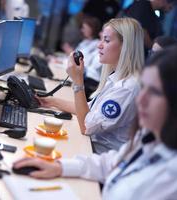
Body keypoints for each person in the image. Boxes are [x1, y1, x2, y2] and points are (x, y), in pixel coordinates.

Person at [14, 46, 177, 199]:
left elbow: (86, 125)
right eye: (144, 88)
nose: (141, 99)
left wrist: (78, 83)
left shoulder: (171, 175)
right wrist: (59, 167)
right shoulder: (148, 139)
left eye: (155, 92)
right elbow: (110, 163)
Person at [38, 18, 144, 153]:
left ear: (125, 46)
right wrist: (49, 102)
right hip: (90, 147)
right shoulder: (116, 79)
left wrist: (78, 81)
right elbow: (88, 110)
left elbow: (86, 126)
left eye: (106, 40)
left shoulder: (126, 88)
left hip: (97, 156)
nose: (99, 45)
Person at [62, 15, 102, 100]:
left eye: (84, 28)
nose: (82, 30)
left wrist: (70, 53)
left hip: (89, 82)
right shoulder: (84, 42)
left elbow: (81, 64)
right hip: (80, 78)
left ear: (92, 28)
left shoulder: (96, 44)